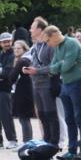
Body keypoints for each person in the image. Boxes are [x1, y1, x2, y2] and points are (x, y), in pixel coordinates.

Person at [44, 25, 81, 160]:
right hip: (65, 84)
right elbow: (53, 69)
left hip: (79, 83)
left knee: (80, 118)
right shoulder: (57, 47)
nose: (48, 44)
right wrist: (60, 65)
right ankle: (71, 150)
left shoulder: (72, 43)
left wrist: (60, 65)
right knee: (69, 119)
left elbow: (66, 66)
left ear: (54, 35)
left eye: (48, 41)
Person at [23, 17, 60, 147]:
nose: (30, 29)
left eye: (32, 27)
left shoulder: (49, 46)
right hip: (36, 84)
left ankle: (54, 143)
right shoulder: (35, 45)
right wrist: (28, 69)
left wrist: (36, 71)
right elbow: (35, 63)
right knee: (42, 115)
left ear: (39, 30)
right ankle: (46, 140)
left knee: (51, 114)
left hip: (47, 84)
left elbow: (54, 66)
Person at [0, 32, 18, 149]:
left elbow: (7, 72)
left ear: (11, 41)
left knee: (6, 115)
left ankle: (12, 139)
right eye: (4, 42)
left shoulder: (13, 55)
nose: (6, 43)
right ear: (0, 43)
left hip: (5, 89)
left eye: (8, 41)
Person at [9, 40, 36, 142]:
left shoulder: (23, 61)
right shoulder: (27, 60)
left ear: (25, 49)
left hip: (24, 92)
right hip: (26, 90)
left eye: (19, 48)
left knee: (24, 118)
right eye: (15, 48)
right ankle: (27, 140)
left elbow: (12, 77)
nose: (16, 50)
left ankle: (26, 141)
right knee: (24, 118)